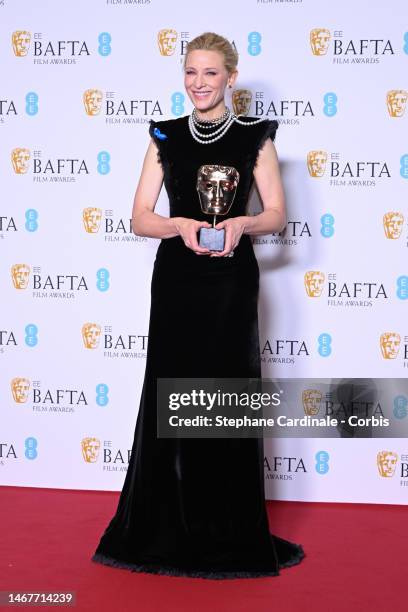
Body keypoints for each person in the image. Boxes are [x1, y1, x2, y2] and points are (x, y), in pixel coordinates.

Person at [91, 32, 306, 579]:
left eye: (210, 73)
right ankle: (166, 525)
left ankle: (226, 527)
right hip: (179, 281)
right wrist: (178, 224)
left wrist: (243, 221)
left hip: (232, 282)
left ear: (231, 78)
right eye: (191, 72)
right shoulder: (164, 136)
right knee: (171, 394)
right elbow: (140, 216)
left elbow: (276, 213)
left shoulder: (256, 138)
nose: (198, 83)